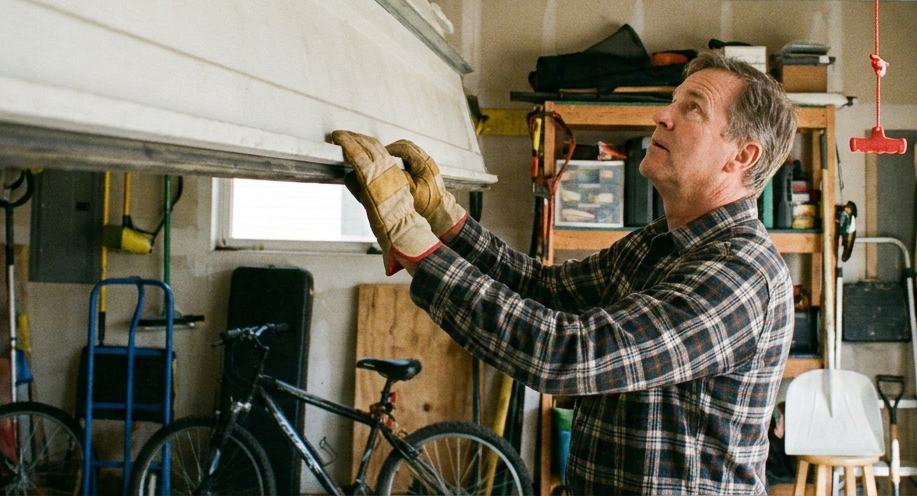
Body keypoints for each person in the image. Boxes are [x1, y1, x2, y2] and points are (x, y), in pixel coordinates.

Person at [333, 51, 799, 495]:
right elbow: (548, 289)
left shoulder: (741, 274)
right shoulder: (662, 242)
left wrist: (414, 243)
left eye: (692, 108)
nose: (663, 115)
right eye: (673, 101)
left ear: (742, 157)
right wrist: (443, 220)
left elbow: (566, 353)